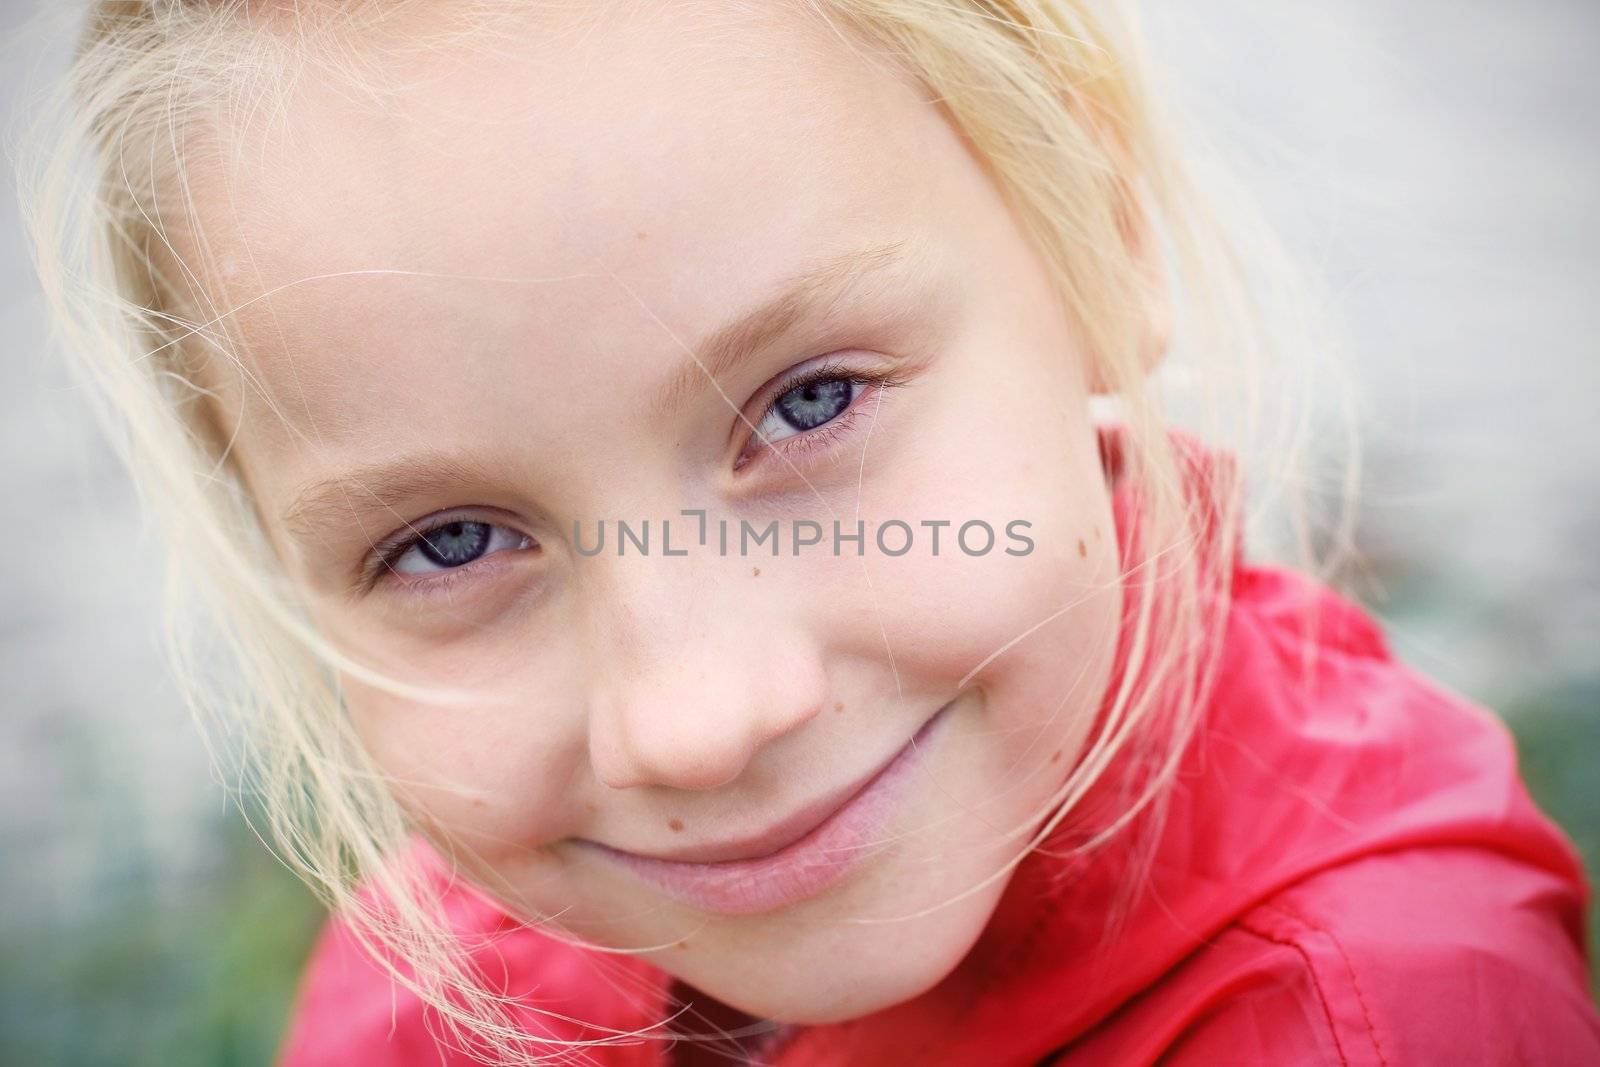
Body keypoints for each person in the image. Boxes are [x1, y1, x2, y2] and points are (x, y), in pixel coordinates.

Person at [15, 1, 1598, 1063]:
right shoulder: (447, 978)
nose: (695, 723)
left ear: (1097, 235)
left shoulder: (1377, 1020)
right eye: (448, 545)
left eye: (812, 403)